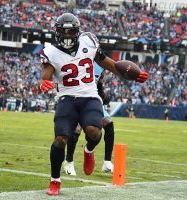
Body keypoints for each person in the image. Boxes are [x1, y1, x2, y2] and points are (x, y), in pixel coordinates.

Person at [39, 13, 148, 195]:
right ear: (57, 33)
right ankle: (55, 180)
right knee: (60, 140)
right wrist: (44, 83)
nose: (67, 36)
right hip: (66, 98)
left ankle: (89, 150)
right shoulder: (50, 52)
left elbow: (108, 63)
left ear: (77, 31)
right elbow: (46, 75)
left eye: (71, 32)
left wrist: (132, 76)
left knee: (94, 132)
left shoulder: (89, 41)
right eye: (63, 32)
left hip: (90, 96)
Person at [63, 63, 115, 176]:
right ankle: (69, 161)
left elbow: (99, 90)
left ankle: (105, 160)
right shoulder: (77, 59)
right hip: (76, 99)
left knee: (108, 124)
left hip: (92, 101)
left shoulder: (99, 66)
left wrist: (102, 91)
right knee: (76, 130)